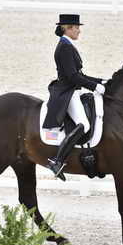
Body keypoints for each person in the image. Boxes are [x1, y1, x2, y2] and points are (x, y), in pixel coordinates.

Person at [43, 14, 106, 178]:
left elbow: (80, 74)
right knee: (83, 124)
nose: (79, 31)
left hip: (72, 89)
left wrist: (102, 81)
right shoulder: (65, 47)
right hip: (67, 92)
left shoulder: (67, 45)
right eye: (77, 28)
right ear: (68, 28)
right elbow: (73, 77)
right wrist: (95, 87)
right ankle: (57, 161)